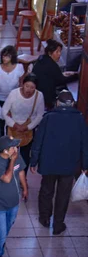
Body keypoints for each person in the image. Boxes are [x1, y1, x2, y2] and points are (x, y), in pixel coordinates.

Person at [30, 90, 88, 235]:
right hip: (69, 165)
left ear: (57, 102)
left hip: (48, 163)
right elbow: (85, 145)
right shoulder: (80, 119)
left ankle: (44, 219)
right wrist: (85, 165)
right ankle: (58, 224)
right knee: (63, 195)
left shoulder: (48, 118)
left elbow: (38, 141)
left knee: (46, 191)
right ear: (72, 104)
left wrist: (33, 161)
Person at [0, 136, 28, 257]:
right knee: (1, 231)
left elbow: (21, 171)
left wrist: (25, 188)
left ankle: (1, 239)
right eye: (13, 147)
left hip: (14, 201)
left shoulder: (16, 156)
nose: (15, 149)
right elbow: (7, 178)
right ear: (6, 151)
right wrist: (12, 161)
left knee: (8, 226)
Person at [2, 74, 45, 171]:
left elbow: (39, 115)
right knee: (11, 154)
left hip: (28, 130)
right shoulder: (14, 94)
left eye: (32, 87)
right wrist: (14, 124)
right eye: (27, 86)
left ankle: (22, 176)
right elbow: (4, 111)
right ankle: (10, 174)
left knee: (25, 155)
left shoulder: (39, 96)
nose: (29, 90)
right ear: (22, 84)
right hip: (12, 128)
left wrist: (28, 127)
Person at [32, 39, 77, 110]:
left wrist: (64, 74)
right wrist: (77, 76)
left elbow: (53, 74)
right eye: (57, 52)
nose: (59, 54)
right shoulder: (52, 65)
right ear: (50, 53)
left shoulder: (42, 59)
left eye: (60, 51)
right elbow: (61, 80)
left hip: (36, 92)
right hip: (46, 96)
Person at [0, 45, 25, 134]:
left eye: (7, 56)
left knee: (12, 123)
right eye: (3, 56)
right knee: (0, 122)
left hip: (13, 99)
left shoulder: (19, 68)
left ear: (12, 57)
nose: (4, 58)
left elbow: (21, 84)